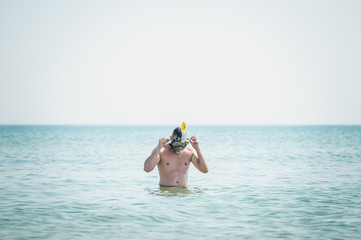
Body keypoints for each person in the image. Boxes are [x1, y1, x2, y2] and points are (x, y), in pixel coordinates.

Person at [144, 127, 208, 187]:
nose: (179, 147)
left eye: (182, 143)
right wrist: (158, 148)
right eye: (177, 143)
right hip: (166, 192)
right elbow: (147, 169)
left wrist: (197, 149)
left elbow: (205, 170)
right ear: (171, 139)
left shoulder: (190, 152)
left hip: (183, 193)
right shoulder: (161, 151)